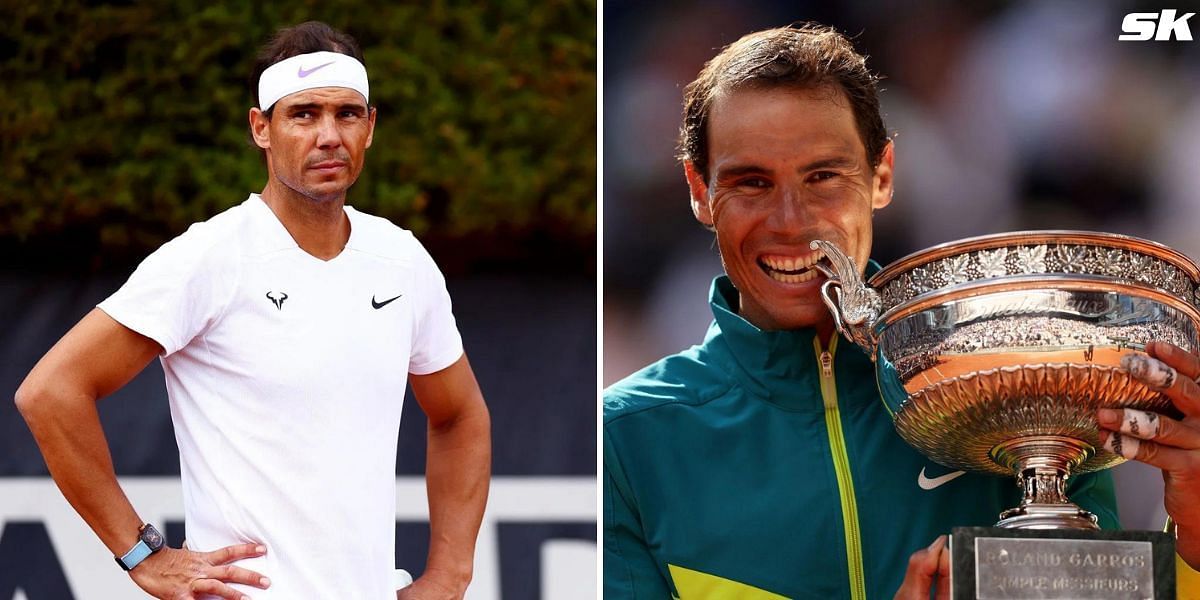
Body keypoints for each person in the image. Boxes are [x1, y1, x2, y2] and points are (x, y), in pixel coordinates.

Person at [603, 23, 1200, 598]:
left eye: (824, 177)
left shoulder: (1023, 379)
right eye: (751, 183)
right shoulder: (627, 440)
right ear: (699, 190)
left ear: (882, 175)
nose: (790, 222)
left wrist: (1197, 535)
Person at [14, 21, 490, 600]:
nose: (328, 136)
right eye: (304, 114)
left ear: (370, 126)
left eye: (346, 114)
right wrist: (142, 554)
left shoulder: (401, 260)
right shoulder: (210, 255)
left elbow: (460, 416)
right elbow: (50, 392)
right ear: (261, 129)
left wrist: (449, 576)